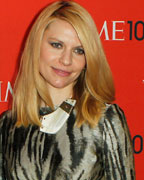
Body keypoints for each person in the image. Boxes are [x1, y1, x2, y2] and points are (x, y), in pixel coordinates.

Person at [0, 0, 135, 179]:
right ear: (36, 46)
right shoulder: (7, 125)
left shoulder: (105, 121)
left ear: (88, 60)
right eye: (57, 45)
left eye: (79, 51)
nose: (66, 60)